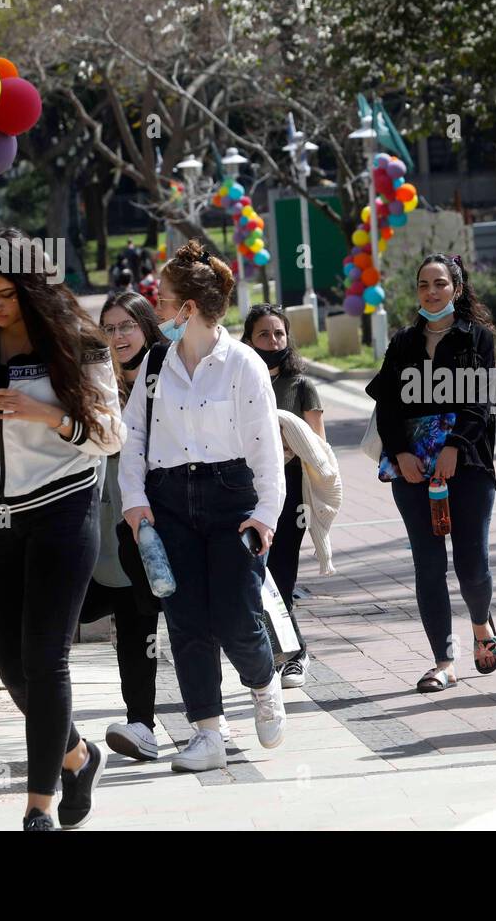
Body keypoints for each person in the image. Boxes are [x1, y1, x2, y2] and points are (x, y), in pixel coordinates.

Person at [0, 229, 125, 831]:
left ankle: (38, 807)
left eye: (5, 294)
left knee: (46, 659)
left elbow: (110, 434)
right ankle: (77, 756)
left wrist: (47, 415)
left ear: (34, 286)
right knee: (13, 670)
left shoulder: (80, 339)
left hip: (63, 508)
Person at [118, 240, 288, 774]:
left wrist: (267, 516)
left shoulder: (242, 365)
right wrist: (135, 504)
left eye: (163, 299)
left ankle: (263, 683)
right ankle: (207, 732)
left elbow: (266, 449)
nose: (157, 307)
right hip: (168, 503)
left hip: (232, 499)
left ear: (188, 308)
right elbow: (132, 440)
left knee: (237, 617)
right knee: (186, 620)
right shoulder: (153, 364)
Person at [365, 254, 496, 693]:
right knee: (428, 564)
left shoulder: (477, 339)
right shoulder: (403, 343)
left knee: (471, 565)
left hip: (469, 466)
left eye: (440, 283)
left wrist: (455, 447)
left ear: (456, 289)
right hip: (412, 472)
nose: (431, 291)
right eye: (424, 284)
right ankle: (444, 660)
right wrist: (402, 453)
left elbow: (481, 404)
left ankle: (481, 622)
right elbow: (386, 405)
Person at [78, 292, 167, 761]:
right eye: (109, 329)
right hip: (102, 522)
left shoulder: (168, 378)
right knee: (67, 621)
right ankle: (134, 725)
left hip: (156, 520)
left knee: (152, 627)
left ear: (147, 326)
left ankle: (151, 724)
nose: (118, 337)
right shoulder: (95, 383)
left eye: (126, 326)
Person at [241, 304, 324, 689]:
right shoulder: (238, 381)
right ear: (248, 338)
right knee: (255, 576)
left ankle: (295, 655)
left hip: (291, 494)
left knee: (281, 576)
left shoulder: (301, 385)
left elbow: (318, 447)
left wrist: (290, 448)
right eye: (263, 334)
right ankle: (281, 651)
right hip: (245, 492)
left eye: (279, 334)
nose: (272, 341)